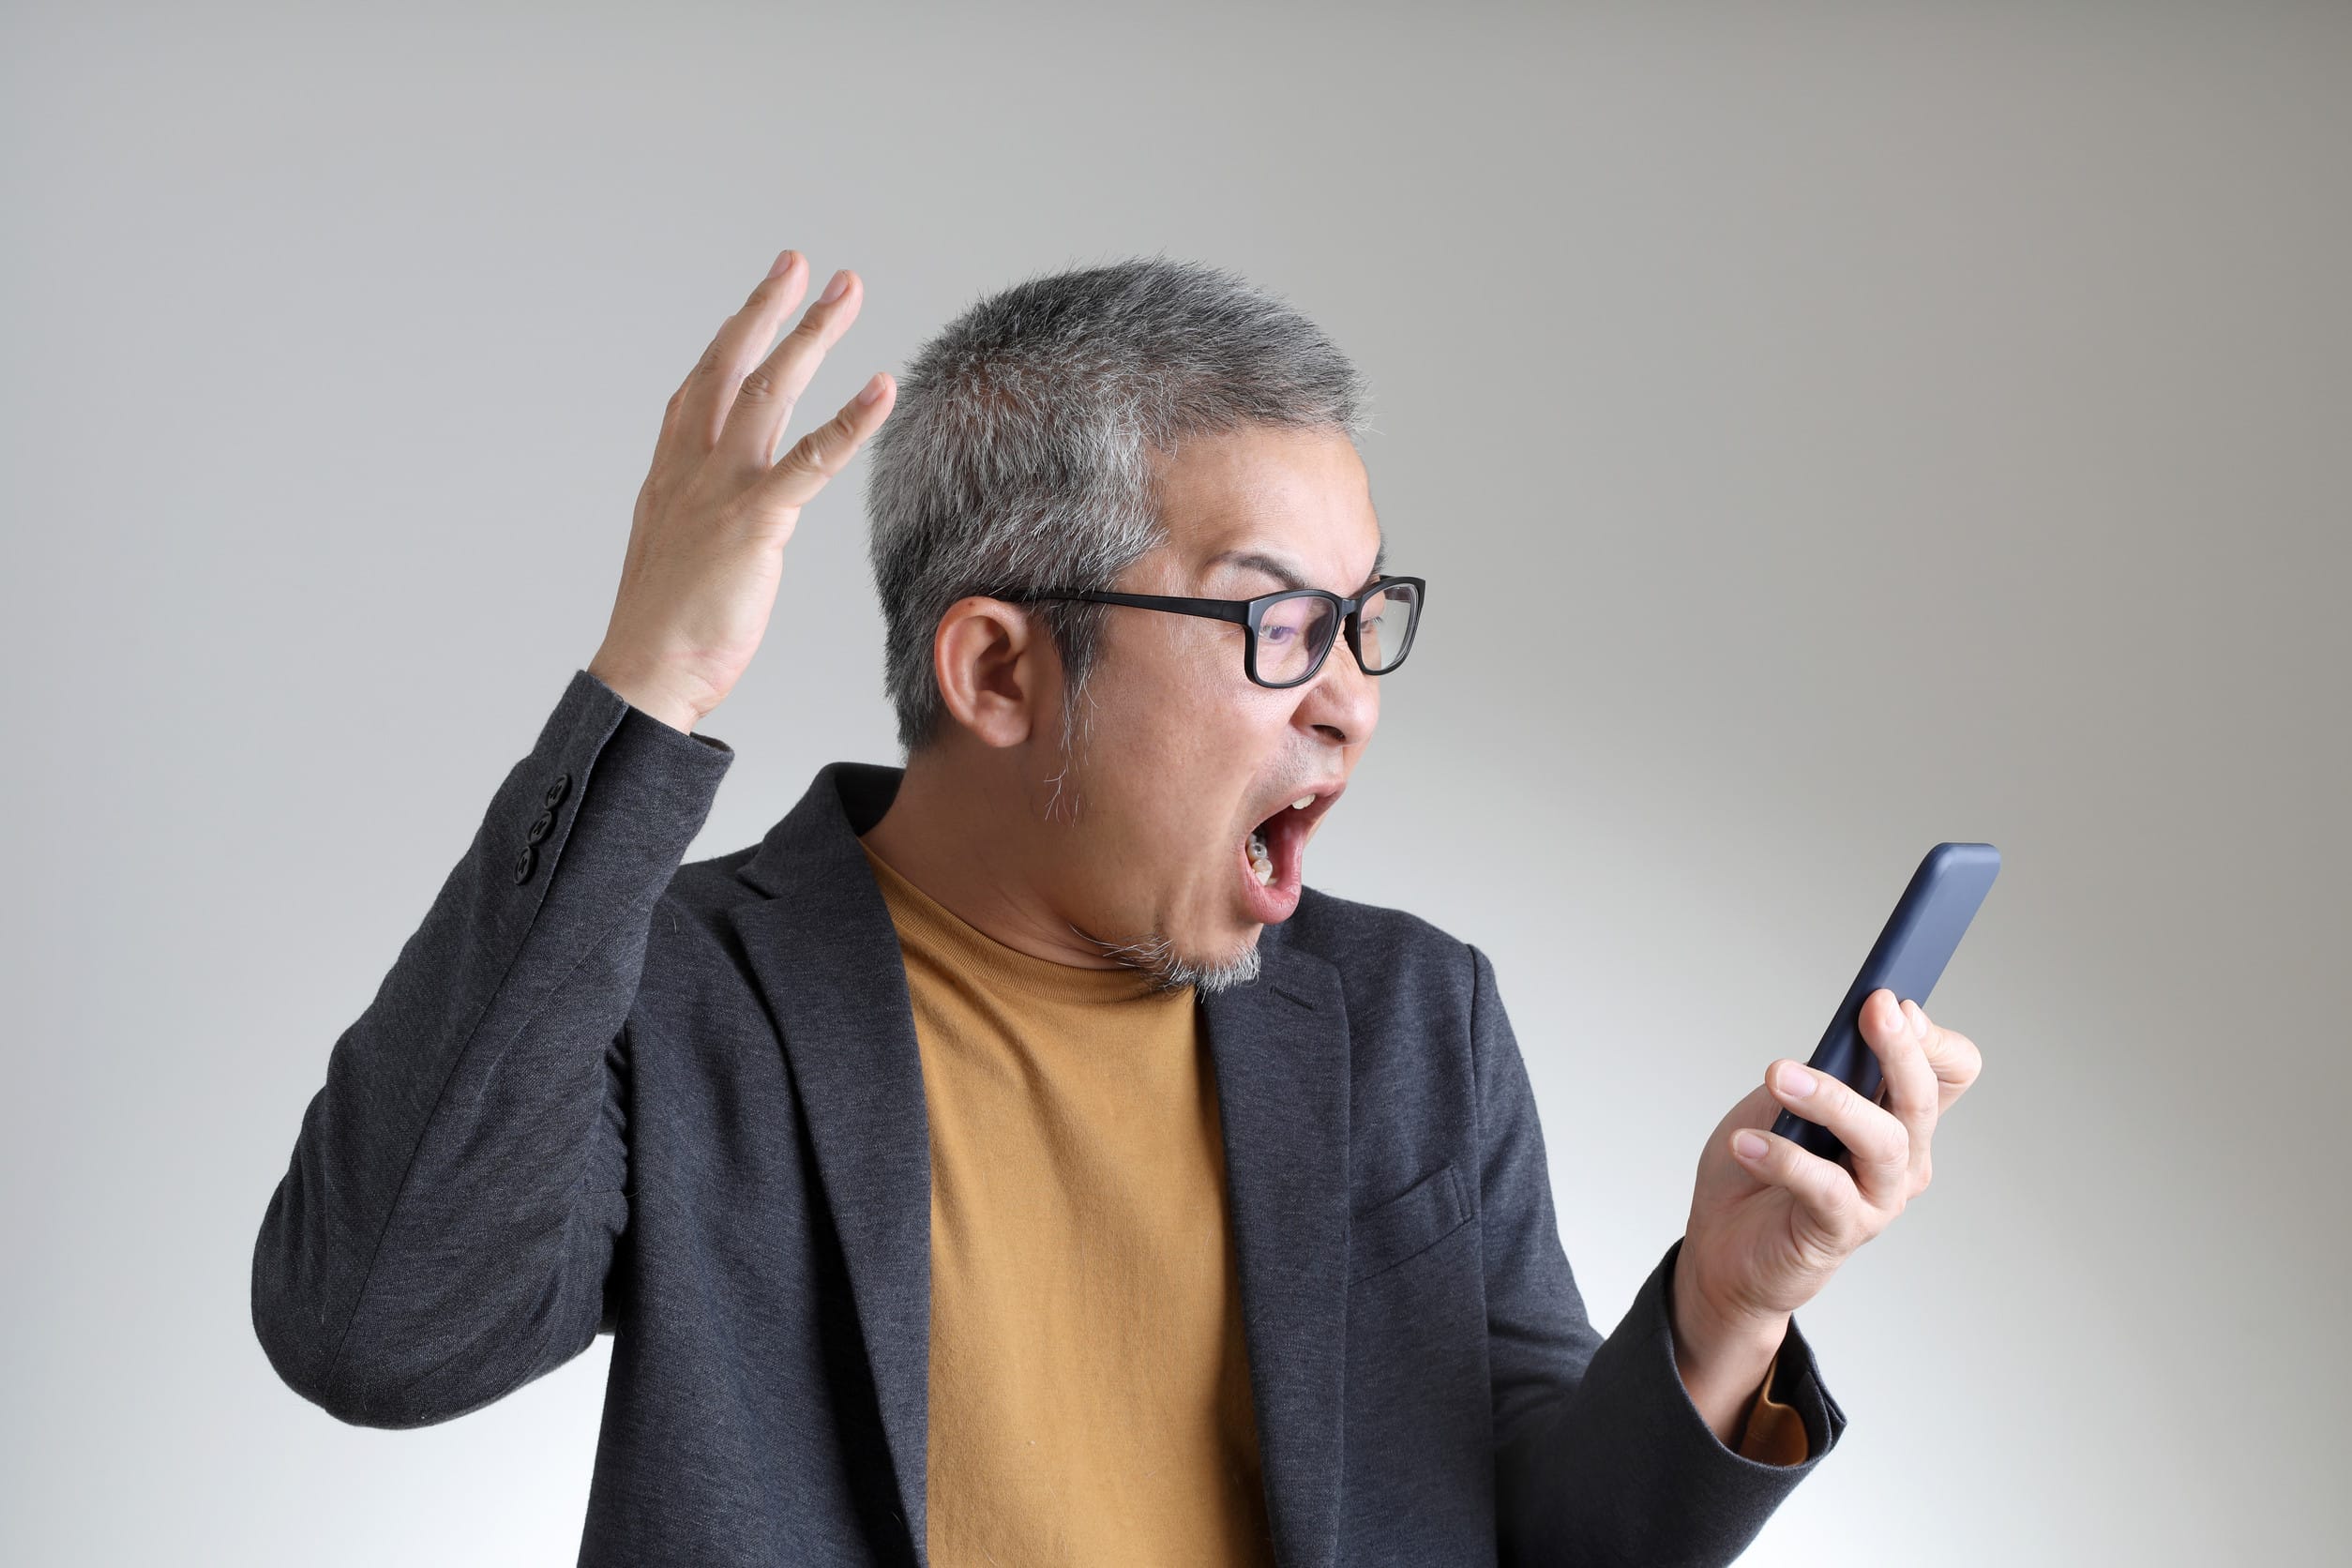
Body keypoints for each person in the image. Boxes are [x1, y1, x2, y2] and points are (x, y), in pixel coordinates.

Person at [251, 250, 1983, 1566]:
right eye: (1275, 625)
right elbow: (376, 1331)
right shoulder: (684, 987)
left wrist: (1730, 1309)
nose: (1351, 699)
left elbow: (1537, 1536)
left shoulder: (1409, 1021)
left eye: (1363, 621)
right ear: (999, 668)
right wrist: (649, 688)